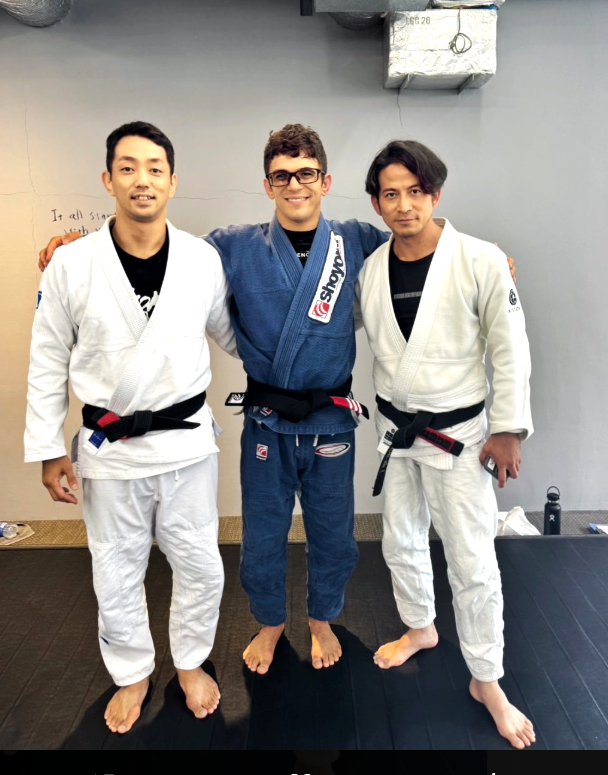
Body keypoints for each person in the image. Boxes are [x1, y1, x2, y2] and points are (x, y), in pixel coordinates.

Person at [38, 124, 516, 678]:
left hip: (331, 421)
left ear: (325, 181)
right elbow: (159, 251)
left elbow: (419, 244)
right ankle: (269, 623)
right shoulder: (231, 245)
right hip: (266, 421)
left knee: (333, 535)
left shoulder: (358, 241)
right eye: (282, 176)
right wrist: (79, 247)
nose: (295, 185)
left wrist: (483, 257)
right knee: (262, 535)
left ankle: (320, 620)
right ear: (267, 185)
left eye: (306, 174)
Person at [25, 121, 237, 734]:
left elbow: (234, 332)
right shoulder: (70, 263)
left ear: (172, 181)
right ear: (108, 179)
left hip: (185, 443)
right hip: (109, 448)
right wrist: (47, 448)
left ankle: (191, 661)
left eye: (153, 168)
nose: (141, 179)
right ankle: (132, 671)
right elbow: (47, 358)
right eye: (127, 167)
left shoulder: (201, 259)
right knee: (115, 567)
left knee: (200, 564)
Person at [357, 139, 535, 749]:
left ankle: (487, 678)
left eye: (416, 191)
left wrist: (507, 428)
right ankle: (420, 627)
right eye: (391, 194)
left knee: (472, 559)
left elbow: (510, 348)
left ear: (435, 194)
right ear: (377, 203)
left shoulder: (480, 259)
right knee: (400, 540)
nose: (404, 205)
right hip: (395, 429)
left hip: (460, 436)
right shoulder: (370, 270)